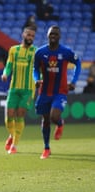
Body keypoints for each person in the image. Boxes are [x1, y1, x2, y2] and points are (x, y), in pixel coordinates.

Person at [33, 25, 81, 159]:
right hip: (44, 92)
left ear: (59, 36)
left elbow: (78, 63)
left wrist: (74, 81)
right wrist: (36, 79)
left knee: (54, 116)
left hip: (60, 91)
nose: (53, 36)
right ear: (47, 35)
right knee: (46, 120)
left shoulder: (66, 52)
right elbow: (35, 69)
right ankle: (46, 148)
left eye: (55, 34)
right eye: (51, 34)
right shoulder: (40, 52)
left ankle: (60, 123)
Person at [1, 26, 37, 154]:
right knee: (9, 117)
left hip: (28, 89)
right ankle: (12, 135)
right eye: (28, 34)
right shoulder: (14, 50)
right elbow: (9, 65)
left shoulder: (36, 52)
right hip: (14, 88)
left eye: (32, 36)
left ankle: (14, 145)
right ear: (23, 34)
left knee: (20, 115)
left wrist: (40, 79)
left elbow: (38, 70)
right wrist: (5, 74)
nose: (30, 37)